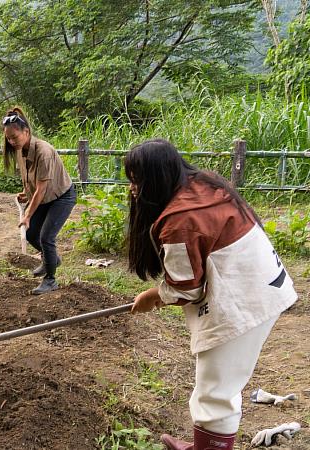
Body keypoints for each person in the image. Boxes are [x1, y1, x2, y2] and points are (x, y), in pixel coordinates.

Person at [124, 139, 297, 450]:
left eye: (137, 180)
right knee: (215, 384)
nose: (132, 188)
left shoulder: (179, 222)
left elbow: (187, 289)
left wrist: (153, 295)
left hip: (244, 301)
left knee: (216, 392)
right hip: (262, 282)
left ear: (157, 177)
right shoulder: (205, 184)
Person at [2, 107, 75, 294]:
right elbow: (33, 181)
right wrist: (26, 193)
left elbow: (42, 188)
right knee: (31, 233)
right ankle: (51, 259)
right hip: (44, 197)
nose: (11, 142)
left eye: (14, 137)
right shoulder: (20, 149)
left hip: (61, 197)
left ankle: (50, 280)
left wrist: (27, 214)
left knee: (46, 237)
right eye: (8, 138)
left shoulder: (44, 151)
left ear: (26, 132)